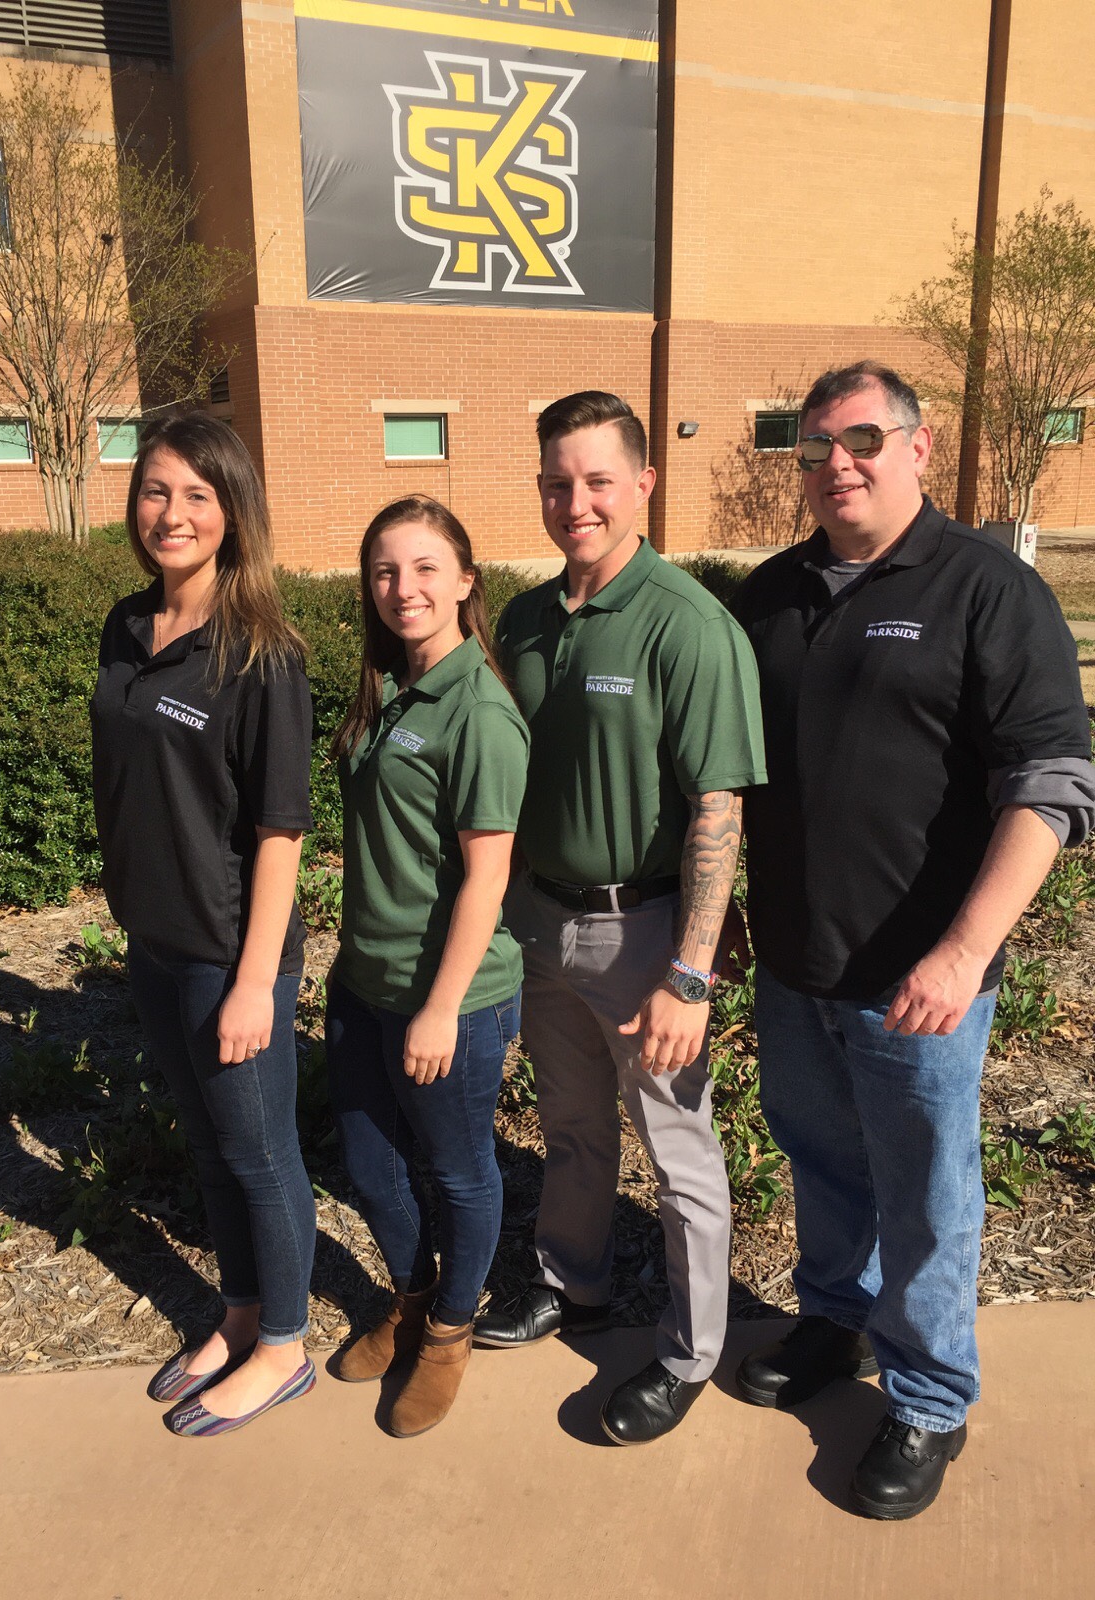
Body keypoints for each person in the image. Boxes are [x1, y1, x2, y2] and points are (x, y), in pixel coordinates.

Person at [730, 361, 1095, 1518]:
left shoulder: (989, 590)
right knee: (821, 1154)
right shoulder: (770, 595)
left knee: (930, 1190)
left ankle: (931, 1397)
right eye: (815, 446)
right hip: (795, 962)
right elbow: (725, 782)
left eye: (864, 439)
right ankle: (838, 1316)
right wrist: (721, 923)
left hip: (921, 979)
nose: (838, 462)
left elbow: (1050, 785)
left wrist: (964, 948)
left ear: (920, 447)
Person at [475, 391, 768, 1445]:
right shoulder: (526, 620)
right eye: (558, 481)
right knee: (572, 1125)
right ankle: (576, 1280)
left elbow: (718, 809)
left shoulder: (686, 625)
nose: (576, 501)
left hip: (643, 933)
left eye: (599, 479)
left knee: (679, 1153)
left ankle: (689, 1353)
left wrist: (690, 973)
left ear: (644, 482)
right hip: (542, 924)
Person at [90, 412, 318, 1438]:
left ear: (233, 514)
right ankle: (239, 1311)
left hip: (234, 953)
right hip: (155, 942)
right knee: (210, 1144)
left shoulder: (263, 653)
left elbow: (281, 833)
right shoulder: (126, 626)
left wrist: (252, 982)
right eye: (155, 490)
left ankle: (286, 1346)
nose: (170, 513)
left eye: (196, 494)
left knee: (260, 1152)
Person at [326, 494, 529, 1438]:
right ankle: (407, 1302)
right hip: (363, 980)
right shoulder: (388, 685)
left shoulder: (478, 709)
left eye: (422, 568)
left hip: (448, 995)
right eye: (384, 571)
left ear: (464, 583)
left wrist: (442, 1009)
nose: (402, 588)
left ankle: (449, 1331)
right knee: (372, 1168)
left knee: (457, 1174)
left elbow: (488, 879)